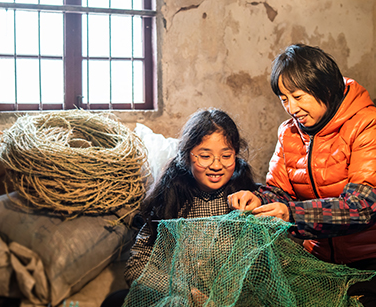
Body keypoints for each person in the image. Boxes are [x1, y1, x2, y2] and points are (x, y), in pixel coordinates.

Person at [228, 43, 376, 307]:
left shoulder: (369, 125)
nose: (291, 107)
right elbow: (280, 191)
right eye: (284, 98)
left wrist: (292, 214)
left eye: (298, 96)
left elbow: (364, 206)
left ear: (325, 88)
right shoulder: (288, 133)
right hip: (323, 260)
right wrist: (258, 200)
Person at [101, 108, 258, 307]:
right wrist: (186, 292)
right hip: (177, 297)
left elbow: (260, 266)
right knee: (114, 302)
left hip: (228, 301)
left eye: (226, 156)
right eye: (205, 156)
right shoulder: (169, 199)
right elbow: (137, 266)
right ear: (186, 156)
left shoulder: (246, 199)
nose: (217, 165)